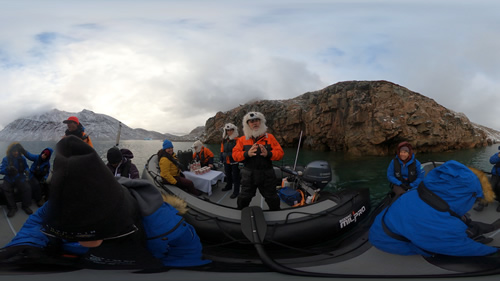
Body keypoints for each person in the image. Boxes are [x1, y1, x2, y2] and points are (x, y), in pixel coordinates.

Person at [0, 136, 210, 269]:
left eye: (90, 231)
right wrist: (24, 244)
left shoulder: (164, 224)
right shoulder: (61, 204)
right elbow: (36, 222)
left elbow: (189, 251)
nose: (82, 242)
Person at [369, 160, 500, 257]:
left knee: (458, 221)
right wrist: (494, 251)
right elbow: (466, 249)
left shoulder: (421, 191)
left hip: (385, 226)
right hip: (389, 241)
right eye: (474, 198)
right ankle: (468, 233)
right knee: (438, 249)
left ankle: (475, 230)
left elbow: (444, 211)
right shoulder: (438, 225)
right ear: (466, 196)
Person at [232, 112, 284, 211]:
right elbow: (235, 155)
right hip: (248, 175)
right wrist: (247, 154)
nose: (254, 123)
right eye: (251, 121)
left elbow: (280, 153)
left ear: (261, 122)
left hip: (267, 174)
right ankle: (240, 212)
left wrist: (268, 154)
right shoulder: (242, 139)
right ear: (247, 124)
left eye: (257, 120)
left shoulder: (270, 137)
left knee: (272, 197)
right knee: (244, 197)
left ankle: (276, 213)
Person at [0, 142, 33, 217]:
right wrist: (7, 169)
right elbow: (1, 170)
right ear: (11, 151)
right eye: (14, 151)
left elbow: (26, 167)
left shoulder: (22, 158)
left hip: (19, 177)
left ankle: (25, 206)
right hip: (9, 178)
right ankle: (12, 208)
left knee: (27, 188)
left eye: (17, 151)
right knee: (6, 189)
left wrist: (27, 170)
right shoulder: (6, 159)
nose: (16, 152)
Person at [220, 123, 241, 199]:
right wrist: (221, 158)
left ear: (234, 130)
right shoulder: (225, 140)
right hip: (226, 161)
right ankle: (228, 186)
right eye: (227, 130)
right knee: (228, 175)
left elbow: (240, 150)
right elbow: (222, 150)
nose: (229, 132)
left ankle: (236, 191)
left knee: (236, 177)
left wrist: (240, 161)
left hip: (235, 161)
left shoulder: (238, 140)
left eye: (230, 130)